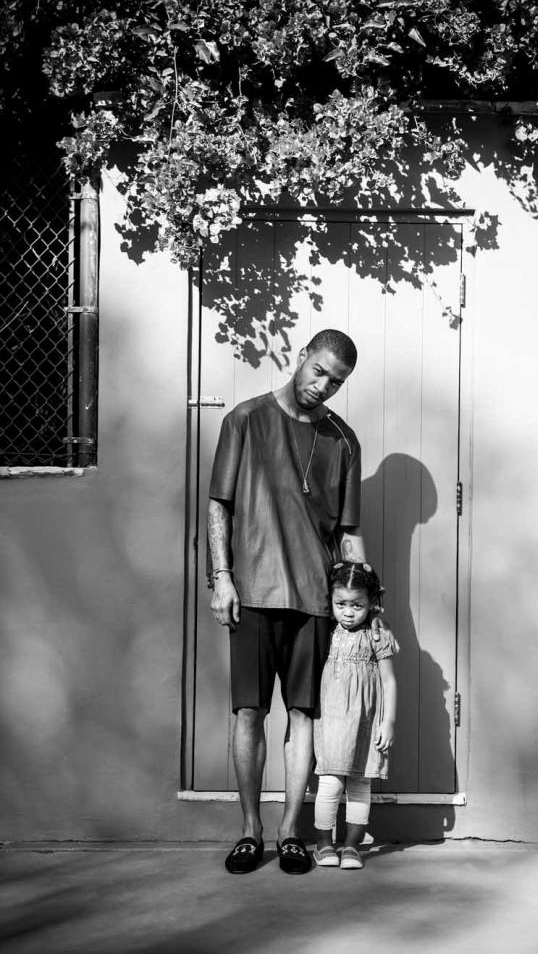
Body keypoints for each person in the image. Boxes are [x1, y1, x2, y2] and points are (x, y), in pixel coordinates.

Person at [208, 328, 370, 875]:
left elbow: (348, 534)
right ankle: (252, 831)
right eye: (319, 370)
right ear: (301, 357)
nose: (323, 385)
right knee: (248, 711)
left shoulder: (343, 442)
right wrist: (222, 577)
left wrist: (363, 600)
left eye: (336, 381)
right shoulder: (245, 420)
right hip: (251, 590)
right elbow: (219, 507)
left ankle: (290, 833)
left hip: (314, 601)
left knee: (303, 715)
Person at [313, 561, 398, 870]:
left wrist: (388, 722)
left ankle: (352, 845)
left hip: (367, 721)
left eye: (357, 605)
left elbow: (389, 680)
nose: (348, 612)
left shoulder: (377, 635)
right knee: (331, 782)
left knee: (360, 784)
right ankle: (324, 845)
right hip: (333, 718)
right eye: (341, 604)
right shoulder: (326, 631)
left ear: (371, 603)